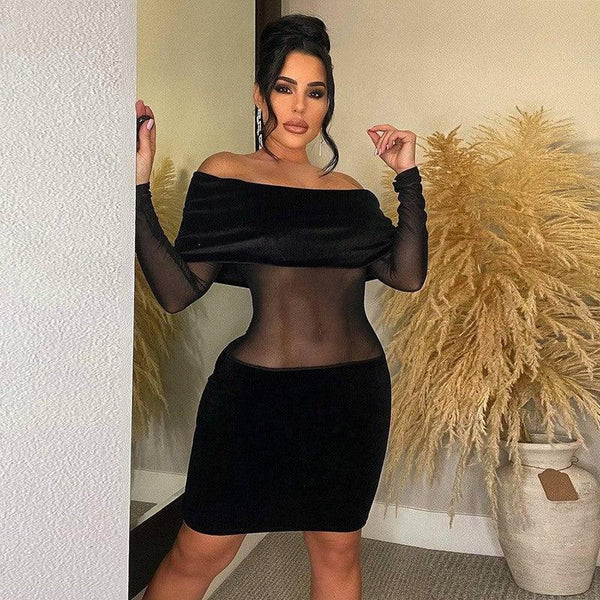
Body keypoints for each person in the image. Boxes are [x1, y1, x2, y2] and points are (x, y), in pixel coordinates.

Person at [135, 13, 428, 600]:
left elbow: (407, 274)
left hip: (352, 397)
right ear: (259, 95)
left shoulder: (348, 192)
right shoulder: (226, 173)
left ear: (328, 102)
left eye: (315, 92)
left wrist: (407, 177)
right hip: (255, 400)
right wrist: (137, 188)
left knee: (338, 551)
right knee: (200, 552)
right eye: (284, 88)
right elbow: (177, 292)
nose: (299, 107)